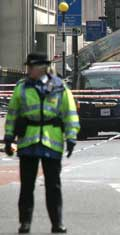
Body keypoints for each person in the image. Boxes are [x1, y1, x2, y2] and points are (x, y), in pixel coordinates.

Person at [4, 53, 80, 234]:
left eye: (30, 67)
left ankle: (57, 223)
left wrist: (71, 138)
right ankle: (25, 223)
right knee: (27, 186)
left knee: (53, 186)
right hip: (28, 143)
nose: (27, 70)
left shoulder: (60, 88)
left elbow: (69, 114)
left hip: (51, 143)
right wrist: (8, 138)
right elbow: (13, 114)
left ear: (41, 68)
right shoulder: (22, 87)